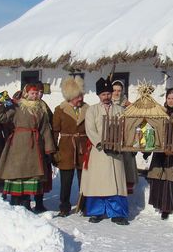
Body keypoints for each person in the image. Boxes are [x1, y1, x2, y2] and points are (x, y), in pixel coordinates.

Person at [0, 83, 55, 210]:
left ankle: (26, 202)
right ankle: (16, 200)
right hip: (18, 144)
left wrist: (49, 148)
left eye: (37, 93)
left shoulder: (40, 109)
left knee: (30, 173)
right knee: (17, 172)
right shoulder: (17, 106)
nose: (35, 95)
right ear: (26, 93)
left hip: (34, 145)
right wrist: (1, 105)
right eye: (33, 93)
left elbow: (45, 130)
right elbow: (0, 117)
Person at [81, 77, 129, 225]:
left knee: (116, 183)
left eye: (109, 93)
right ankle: (97, 212)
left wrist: (120, 143)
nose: (107, 97)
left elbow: (125, 128)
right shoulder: (92, 110)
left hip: (115, 152)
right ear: (98, 95)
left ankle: (117, 212)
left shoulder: (120, 110)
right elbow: (90, 129)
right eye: (103, 94)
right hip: (99, 151)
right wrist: (100, 144)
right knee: (98, 182)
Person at [52, 76, 89, 217]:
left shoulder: (87, 109)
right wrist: (54, 150)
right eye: (77, 96)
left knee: (84, 180)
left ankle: (84, 206)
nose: (80, 98)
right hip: (66, 148)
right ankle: (64, 207)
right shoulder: (60, 110)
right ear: (70, 96)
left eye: (81, 95)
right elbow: (55, 131)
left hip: (83, 148)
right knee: (66, 181)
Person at [146, 88, 173, 219]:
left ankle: (169, 207)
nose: (171, 101)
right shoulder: (161, 111)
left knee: (171, 177)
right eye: (169, 98)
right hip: (160, 149)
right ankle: (160, 204)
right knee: (159, 177)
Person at [111, 79, 139, 194]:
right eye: (114, 90)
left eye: (119, 90)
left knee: (126, 166)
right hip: (112, 141)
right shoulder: (108, 105)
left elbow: (136, 123)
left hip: (126, 140)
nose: (117, 93)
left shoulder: (129, 106)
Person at [32, 81, 54, 213]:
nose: (39, 94)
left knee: (42, 173)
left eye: (41, 92)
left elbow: (51, 120)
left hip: (42, 142)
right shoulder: (25, 104)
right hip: (28, 143)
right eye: (36, 92)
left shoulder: (43, 105)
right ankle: (23, 200)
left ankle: (39, 202)